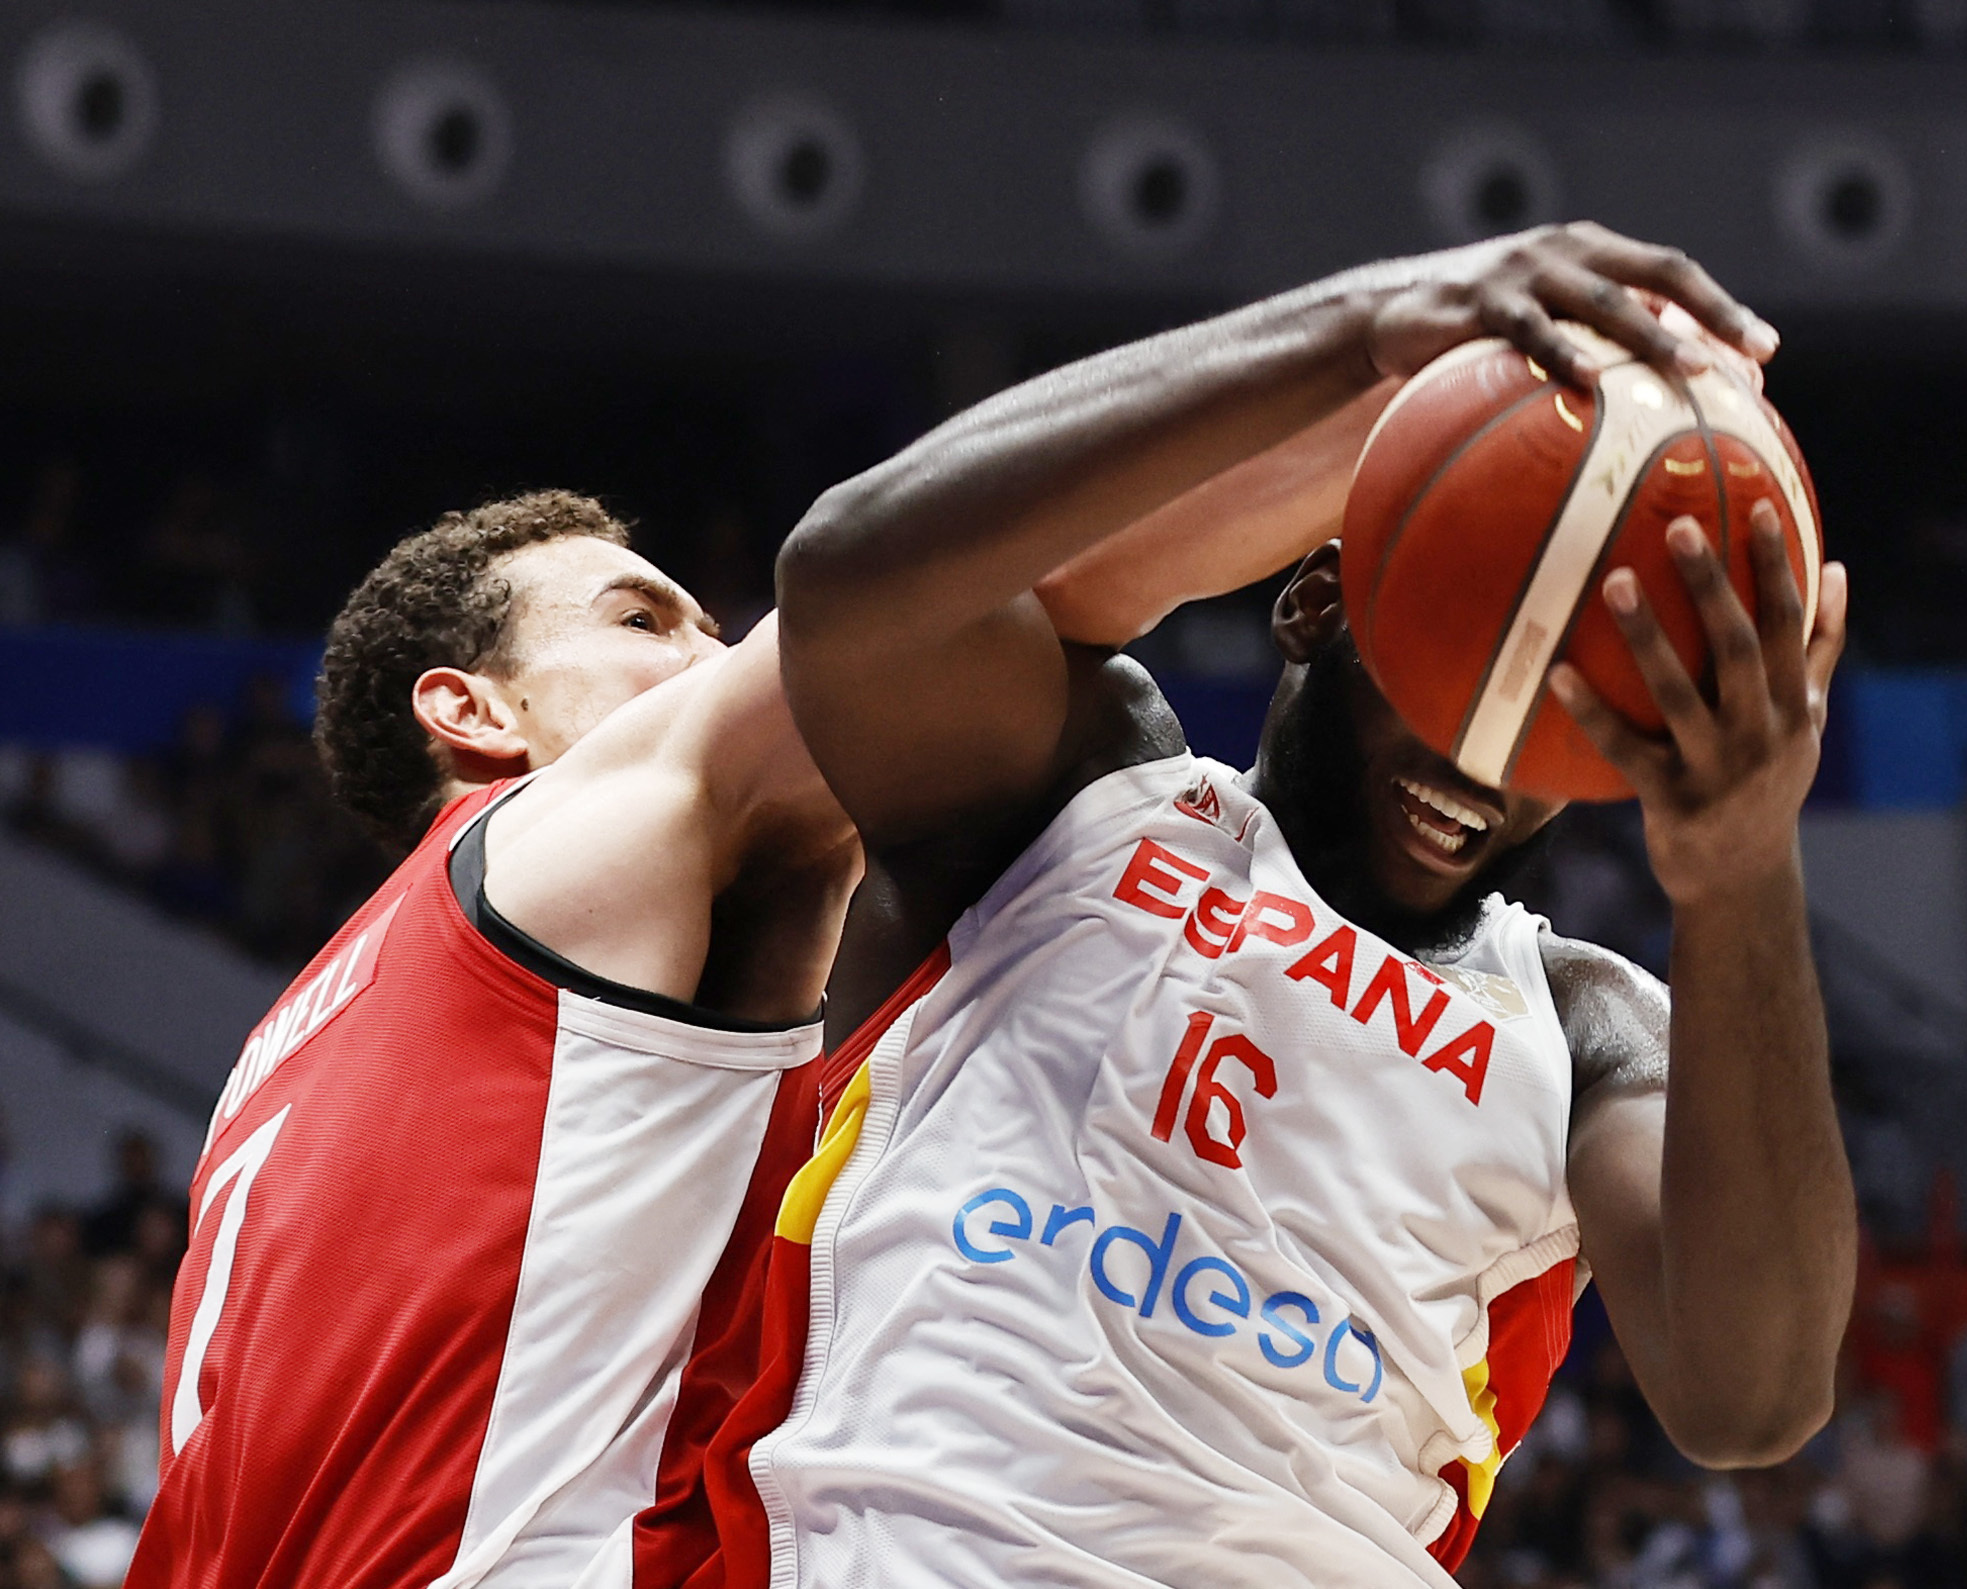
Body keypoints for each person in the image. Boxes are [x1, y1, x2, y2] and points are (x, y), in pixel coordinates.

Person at [128, 219, 1741, 1589]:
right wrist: (1423, 378)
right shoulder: (591, 834)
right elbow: (1004, 589)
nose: (712, 654)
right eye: (646, 620)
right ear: (478, 716)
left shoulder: (302, 1045)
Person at [720, 221, 1857, 1585]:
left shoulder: (1589, 1023)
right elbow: (848, 582)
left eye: (1548, 720)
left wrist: (1742, 868)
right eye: (1446, 676)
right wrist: (1355, 335)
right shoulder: (1075, 781)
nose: (1474, 768)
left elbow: (1755, 1397)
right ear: (1319, 602)